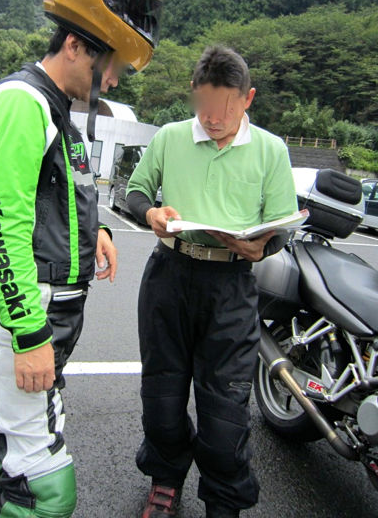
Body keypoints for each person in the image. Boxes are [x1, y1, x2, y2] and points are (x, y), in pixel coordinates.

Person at [0, 0, 162, 518]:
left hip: (50, 319)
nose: (115, 81)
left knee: (8, 452)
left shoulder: (58, 112)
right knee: (45, 491)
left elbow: (54, 198)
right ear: (76, 45)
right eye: (112, 65)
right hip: (30, 321)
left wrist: (94, 230)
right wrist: (29, 336)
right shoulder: (22, 103)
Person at [126, 45, 298, 518]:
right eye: (204, 105)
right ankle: (165, 478)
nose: (214, 118)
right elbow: (135, 192)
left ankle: (224, 500)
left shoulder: (271, 150)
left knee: (225, 410)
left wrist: (263, 247)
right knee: (162, 394)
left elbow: (282, 226)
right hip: (169, 275)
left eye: (226, 108)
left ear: (248, 99)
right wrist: (151, 213)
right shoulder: (170, 137)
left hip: (231, 284)